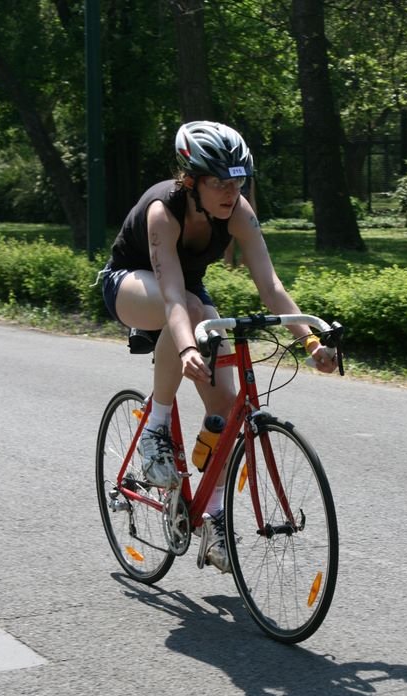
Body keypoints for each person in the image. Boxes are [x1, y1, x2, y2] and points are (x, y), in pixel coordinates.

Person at [101, 120, 337, 573]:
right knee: (189, 311)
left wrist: (309, 340)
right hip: (130, 285)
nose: (231, 192)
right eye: (218, 182)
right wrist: (187, 348)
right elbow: (171, 295)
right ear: (191, 181)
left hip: (183, 294)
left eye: (238, 181)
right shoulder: (162, 212)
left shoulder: (240, 214)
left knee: (227, 408)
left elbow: (271, 286)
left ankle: (210, 514)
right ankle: (156, 427)